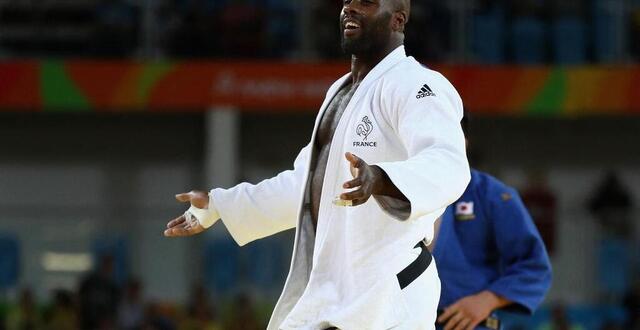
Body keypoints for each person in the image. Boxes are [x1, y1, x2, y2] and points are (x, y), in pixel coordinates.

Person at [164, 0, 470, 329]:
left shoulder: (419, 85)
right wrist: (219, 204)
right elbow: (306, 185)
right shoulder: (339, 92)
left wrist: (381, 179)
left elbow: (448, 162)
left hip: (389, 294)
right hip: (336, 291)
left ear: (398, 19)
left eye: (365, 2)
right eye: (346, 1)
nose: (349, 8)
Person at [432, 116, 552, 330]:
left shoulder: (490, 195)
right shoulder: (391, 194)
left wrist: (488, 299)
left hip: (466, 323)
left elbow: (534, 265)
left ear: (461, 141)